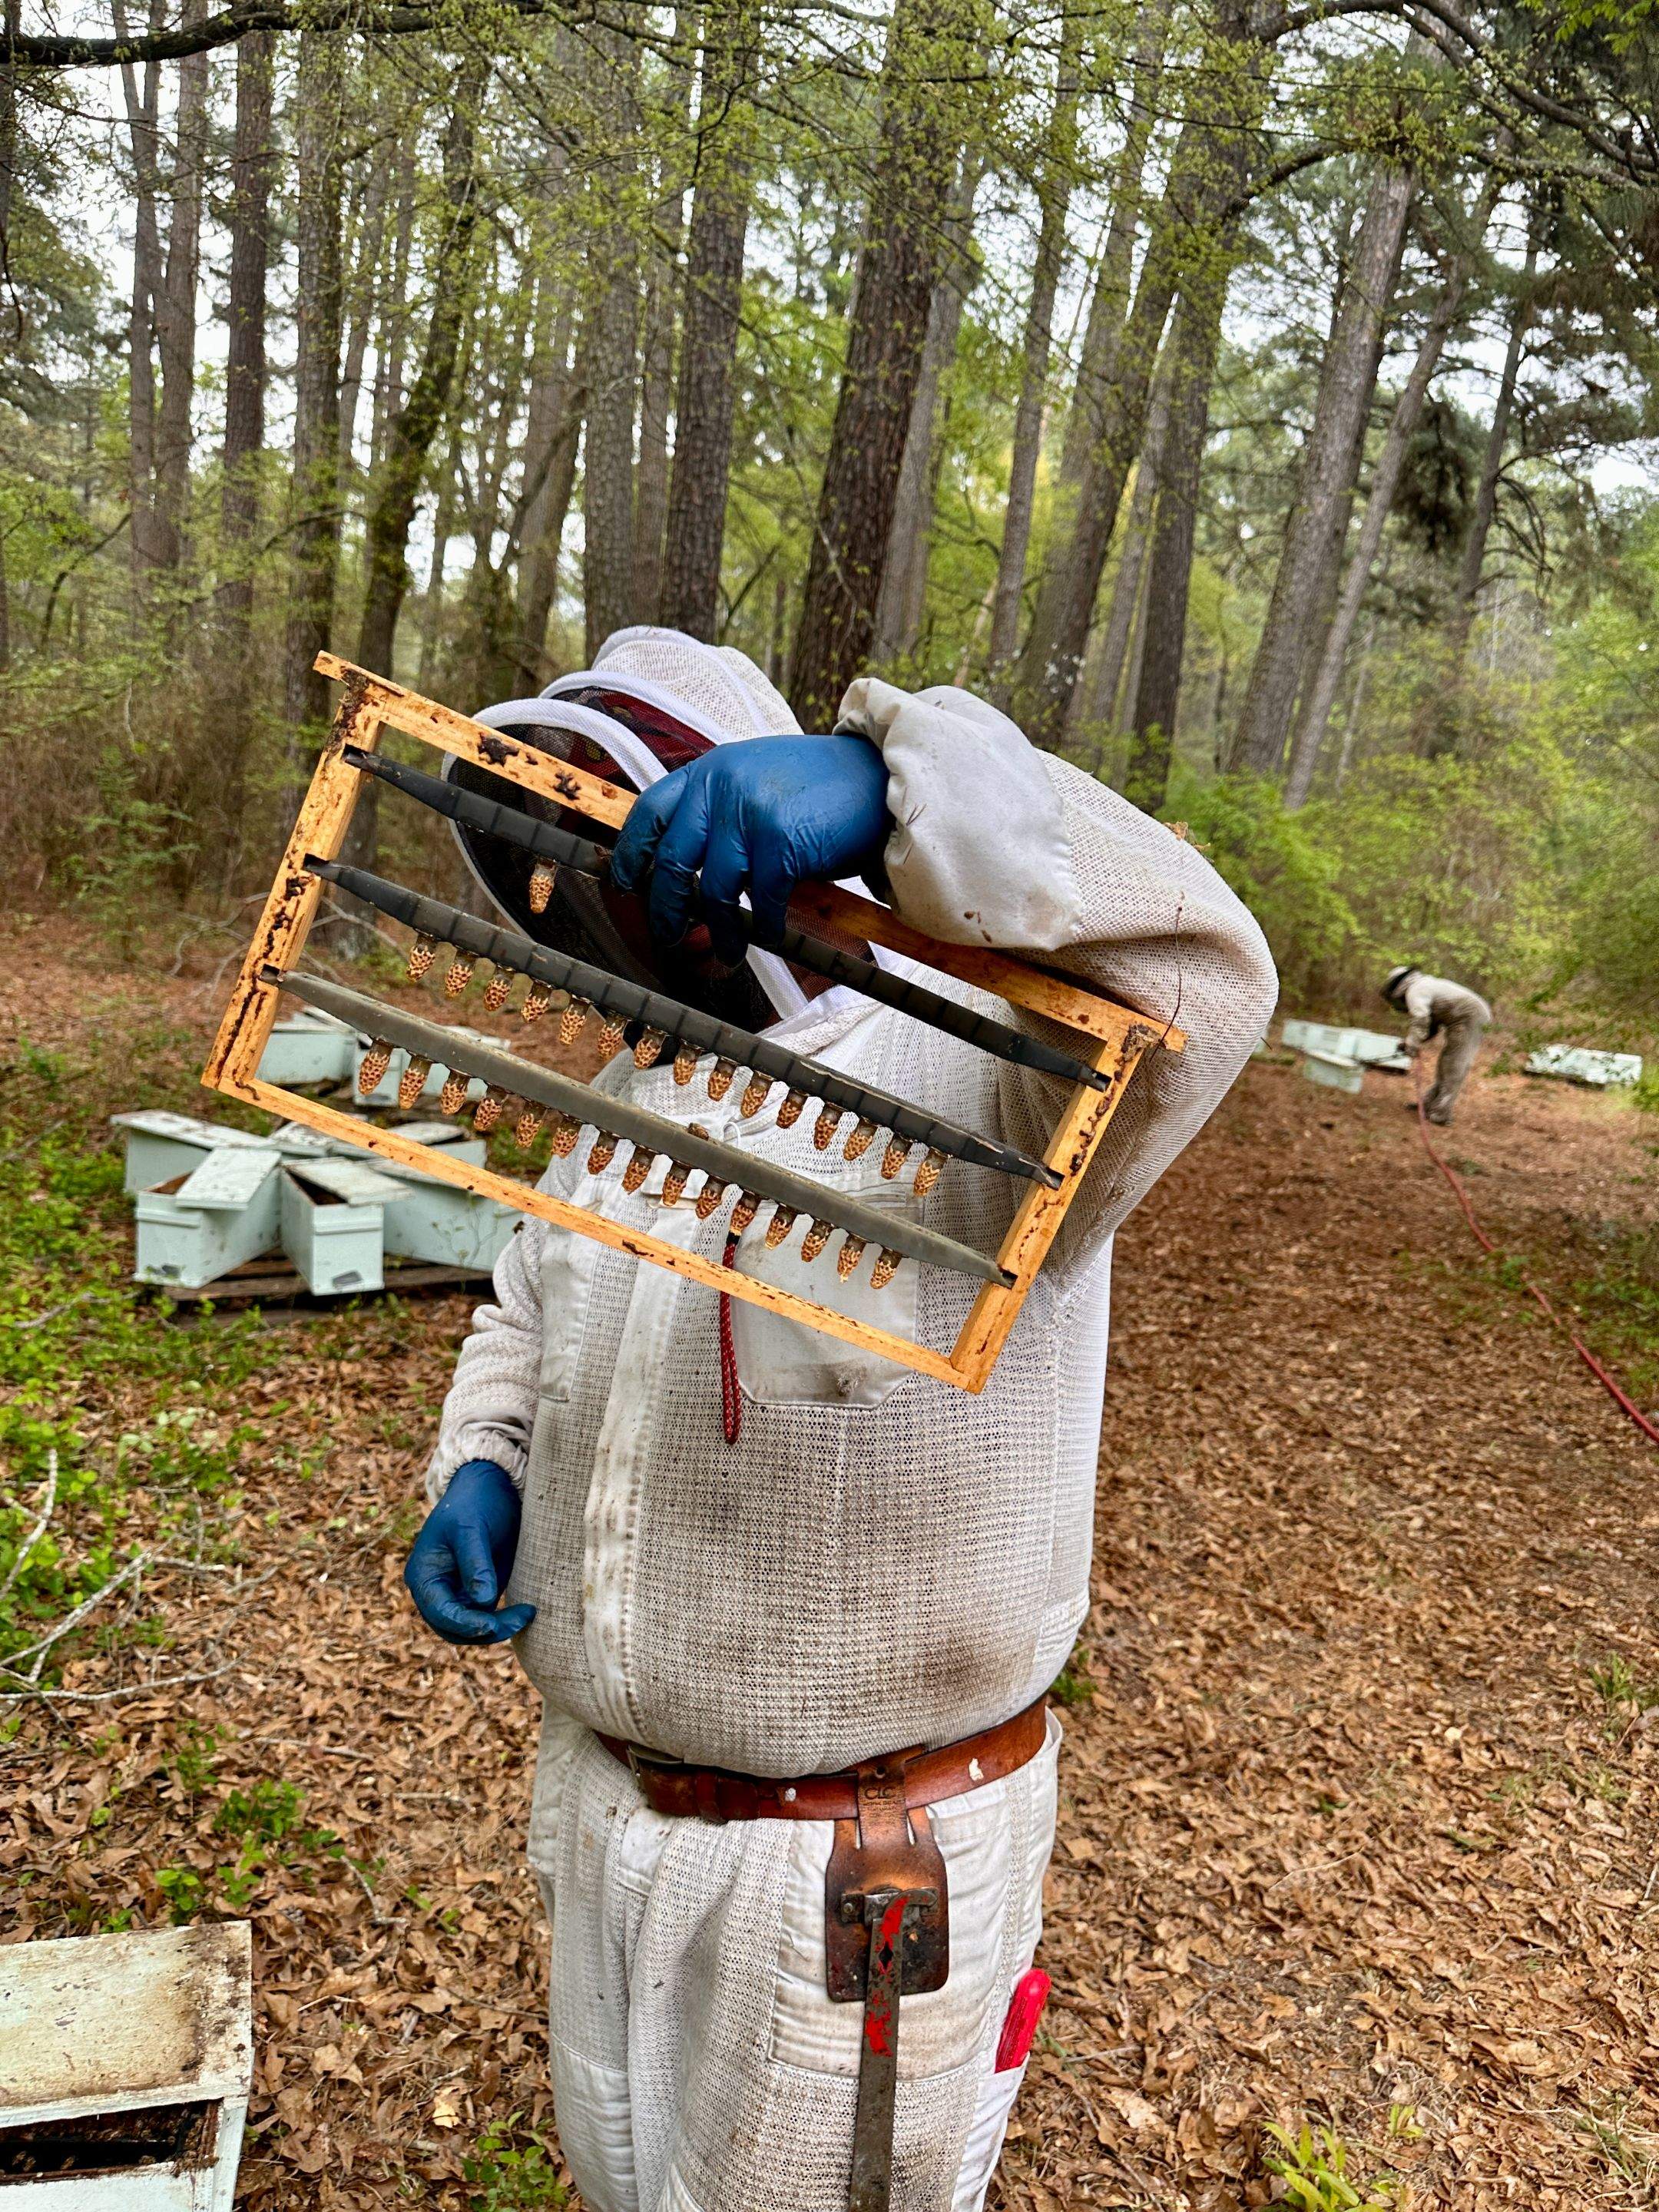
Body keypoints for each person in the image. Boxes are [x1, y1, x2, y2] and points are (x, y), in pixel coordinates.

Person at [402, 628, 1278, 2212]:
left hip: (857, 1871)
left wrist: (897, 783)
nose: (605, 903)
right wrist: (486, 1462)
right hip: (612, 1814)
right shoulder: (635, 1101)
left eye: (634, 844)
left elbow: (1203, 986)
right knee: (624, 2178)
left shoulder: (983, 1074)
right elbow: (525, 1309)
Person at [1382, 963, 1492, 1126]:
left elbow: (1421, 1019)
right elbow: (1430, 1027)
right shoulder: (1422, 986)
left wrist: (1412, 1044)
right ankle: (1428, 1105)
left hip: (1470, 1016)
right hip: (1463, 1016)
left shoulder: (1415, 991)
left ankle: (1442, 1113)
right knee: (1446, 1063)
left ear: (1397, 989)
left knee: (1455, 1063)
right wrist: (1410, 1043)